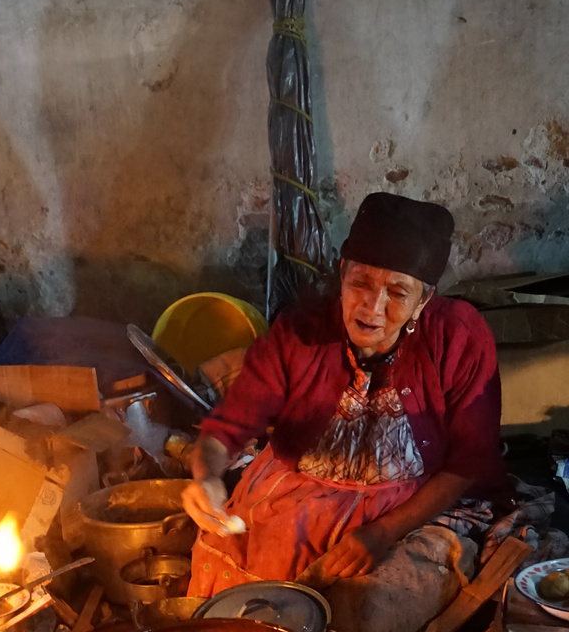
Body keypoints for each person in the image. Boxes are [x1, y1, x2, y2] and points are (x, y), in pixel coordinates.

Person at [182, 192, 505, 595]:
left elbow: (469, 460)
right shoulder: (301, 333)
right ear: (342, 273)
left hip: (408, 506)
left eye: (398, 293)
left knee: (372, 604)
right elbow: (229, 425)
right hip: (294, 497)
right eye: (361, 282)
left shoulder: (458, 336)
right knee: (246, 585)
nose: (372, 306)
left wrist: (383, 532)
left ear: (423, 301)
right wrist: (207, 475)